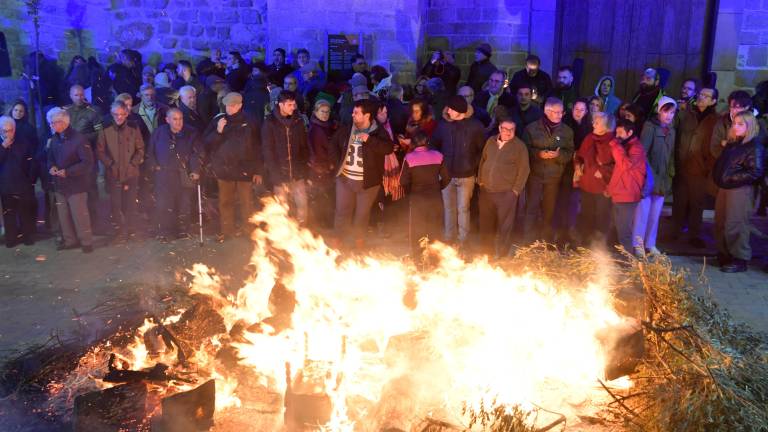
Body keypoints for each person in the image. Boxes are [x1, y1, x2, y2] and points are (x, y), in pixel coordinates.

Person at [328, 99, 394, 248]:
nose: (352, 114)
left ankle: (359, 243)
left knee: (362, 215)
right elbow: (333, 144)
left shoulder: (378, 131)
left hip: (368, 183)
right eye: (353, 112)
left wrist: (369, 140)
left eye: (356, 113)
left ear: (367, 115)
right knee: (342, 211)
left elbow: (388, 148)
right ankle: (338, 240)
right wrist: (337, 165)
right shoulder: (347, 128)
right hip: (345, 179)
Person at [204, 92, 263, 241]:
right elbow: (207, 143)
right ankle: (227, 231)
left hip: (245, 169)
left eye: (232, 105)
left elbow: (258, 147)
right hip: (224, 170)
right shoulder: (219, 120)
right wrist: (218, 131)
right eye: (227, 105)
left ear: (240, 105)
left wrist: (258, 170)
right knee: (225, 202)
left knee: (246, 202)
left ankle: (248, 230)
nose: (229, 108)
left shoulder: (251, 121)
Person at [430, 95, 486, 247]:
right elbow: (434, 144)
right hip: (447, 175)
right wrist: (440, 166)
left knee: (463, 208)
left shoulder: (475, 126)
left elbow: (482, 150)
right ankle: (449, 237)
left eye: (451, 109)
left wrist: (473, 167)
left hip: (467, 175)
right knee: (449, 208)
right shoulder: (443, 125)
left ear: (460, 111)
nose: (448, 111)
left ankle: (462, 240)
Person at [712, 111, 765, 273]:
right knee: (721, 221)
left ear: (750, 126)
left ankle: (739, 258)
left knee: (736, 223)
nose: (735, 126)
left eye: (740, 124)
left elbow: (756, 171)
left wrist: (731, 178)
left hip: (740, 190)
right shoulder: (733, 143)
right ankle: (725, 253)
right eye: (734, 123)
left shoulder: (754, 146)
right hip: (725, 188)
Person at [671, 86, 718, 248]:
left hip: (700, 169)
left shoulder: (715, 120)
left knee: (697, 203)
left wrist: (707, 165)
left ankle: (694, 234)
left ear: (713, 101)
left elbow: (715, 145)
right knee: (679, 201)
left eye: (706, 96)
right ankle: (675, 231)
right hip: (682, 166)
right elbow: (677, 136)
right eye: (700, 94)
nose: (701, 97)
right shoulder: (686, 115)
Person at [522, 97, 574, 243]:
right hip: (535, 175)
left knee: (549, 210)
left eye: (561, 112)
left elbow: (570, 152)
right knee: (531, 208)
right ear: (547, 111)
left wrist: (559, 156)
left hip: (554, 177)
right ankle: (528, 241)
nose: (560, 115)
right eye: (556, 112)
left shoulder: (567, 131)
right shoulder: (531, 128)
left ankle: (545, 241)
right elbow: (524, 149)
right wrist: (539, 154)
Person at [477, 119, 530, 256]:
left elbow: (524, 169)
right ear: (500, 129)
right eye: (505, 129)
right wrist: (480, 180)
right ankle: (486, 253)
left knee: (505, 226)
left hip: (506, 193)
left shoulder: (519, 146)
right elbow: (483, 160)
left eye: (511, 129)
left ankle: (502, 254)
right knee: (486, 223)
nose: (508, 132)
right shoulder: (490, 141)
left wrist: (515, 191)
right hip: (487, 190)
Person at [148, 108, 202, 242]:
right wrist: (154, 166)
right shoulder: (159, 133)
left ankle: (183, 230)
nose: (179, 122)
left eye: (180, 119)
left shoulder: (191, 133)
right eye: (175, 119)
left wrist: (195, 170)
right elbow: (150, 151)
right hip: (164, 174)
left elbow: (196, 153)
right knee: (164, 204)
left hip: (182, 174)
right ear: (167, 120)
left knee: (183, 204)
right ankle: (165, 231)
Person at [633, 96, 677, 256]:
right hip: (649, 177)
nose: (669, 115)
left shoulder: (672, 131)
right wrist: (649, 175)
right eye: (666, 111)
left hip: (663, 178)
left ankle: (650, 243)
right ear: (659, 111)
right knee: (642, 212)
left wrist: (670, 173)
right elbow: (643, 153)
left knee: (655, 213)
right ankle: (637, 244)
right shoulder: (650, 127)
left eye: (672, 112)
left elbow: (671, 154)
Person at [46, 107, 94, 253]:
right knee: (63, 216)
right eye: (51, 123)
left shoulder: (79, 139)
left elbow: (87, 163)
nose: (51, 125)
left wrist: (68, 172)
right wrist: (52, 167)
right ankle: (70, 240)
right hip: (60, 185)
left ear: (63, 122)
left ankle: (86, 242)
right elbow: (50, 157)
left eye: (53, 123)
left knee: (80, 215)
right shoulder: (55, 139)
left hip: (76, 185)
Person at [96, 102, 145, 241]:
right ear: (112, 114)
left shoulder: (133, 127)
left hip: (131, 173)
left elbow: (140, 148)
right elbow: (100, 151)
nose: (119, 117)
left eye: (122, 114)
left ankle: (131, 229)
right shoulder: (105, 129)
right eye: (116, 114)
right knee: (116, 204)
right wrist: (110, 164)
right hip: (114, 173)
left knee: (130, 202)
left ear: (126, 114)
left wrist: (133, 163)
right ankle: (120, 230)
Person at [262, 91, 311, 224]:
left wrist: (304, 168)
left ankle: (301, 229)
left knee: (302, 204)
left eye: (294, 104)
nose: (293, 107)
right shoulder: (270, 122)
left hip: (297, 172)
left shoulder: (298, 121)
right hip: (279, 173)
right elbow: (267, 150)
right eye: (289, 105)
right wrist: (275, 174)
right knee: (282, 208)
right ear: (280, 105)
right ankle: (282, 231)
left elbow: (304, 146)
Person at [399, 131, 450, 258]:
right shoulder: (438, 155)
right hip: (435, 198)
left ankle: (418, 258)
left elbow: (402, 181)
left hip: (417, 199)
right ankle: (435, 258)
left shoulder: (409, 158)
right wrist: (438, 188)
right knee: (435, 228)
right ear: (427, 142)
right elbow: (447, 178)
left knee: (417, 229)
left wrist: (411, 193)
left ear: (413, 143)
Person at [575, 112, 615, 245]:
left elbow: (618, 165)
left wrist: (603, 171)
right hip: (587, 184)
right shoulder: (589, 138)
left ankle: (599, 245)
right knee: (587, 213)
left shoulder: (613, 142)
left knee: (602, 215)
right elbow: (580, 156)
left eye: (597, 123)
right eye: (594, 122)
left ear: (606, 126)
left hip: (602, 187)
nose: (593, 125)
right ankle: (585, 243)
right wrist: (577, 165)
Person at [606, 118, 646, 253]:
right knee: (616, 229)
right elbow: (618, 173)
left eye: (620, 133)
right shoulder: (624, 146)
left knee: (624, 232)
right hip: (619, 193)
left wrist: (615, 145)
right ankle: (617, 258)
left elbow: (625, 165)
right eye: (616, 132)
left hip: (628, 195)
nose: (617, 136)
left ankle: (628, 261)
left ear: (630, 133)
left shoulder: (636, 148)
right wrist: (610, 189)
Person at [0, 116, 37, 247]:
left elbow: (32, 162)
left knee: (25, 213)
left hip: (22, 184)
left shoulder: (23, 142)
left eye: (10, 130)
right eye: (4, 131)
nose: (7, 134)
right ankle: (11, 238)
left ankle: (27, 236)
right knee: (9, 214)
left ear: (14, 130)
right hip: (5, 185)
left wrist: (31, 180)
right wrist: (3, 147)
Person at [308, 100, 337, 228]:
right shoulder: (315, 129)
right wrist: (323, 166)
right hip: (319, 169)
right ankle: (322, 223)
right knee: (322, 197)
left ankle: (326, 222)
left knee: (327, 196)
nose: (325, 114)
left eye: (327, 112)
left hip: (327, 168)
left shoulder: (328, 127)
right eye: (322, 111)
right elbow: (314, 151)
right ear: (315, 112)